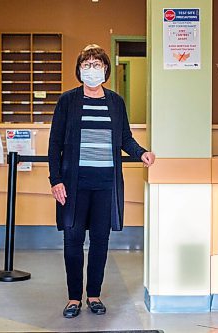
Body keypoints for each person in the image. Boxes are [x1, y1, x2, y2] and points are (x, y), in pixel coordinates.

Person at [48, 44, 155, 318]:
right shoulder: (67, 101)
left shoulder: (115, 102)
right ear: (79, 69)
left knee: (99, 241)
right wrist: (55, 180)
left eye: (97, 65)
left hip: (106, 185)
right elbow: (55, 143)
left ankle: (93, 295)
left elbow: (124, 138)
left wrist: (142, 153)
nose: (92, 69)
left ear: (106, 70)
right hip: (73, 185)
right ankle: (74, 298)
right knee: (72, 241)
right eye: (87, 65)